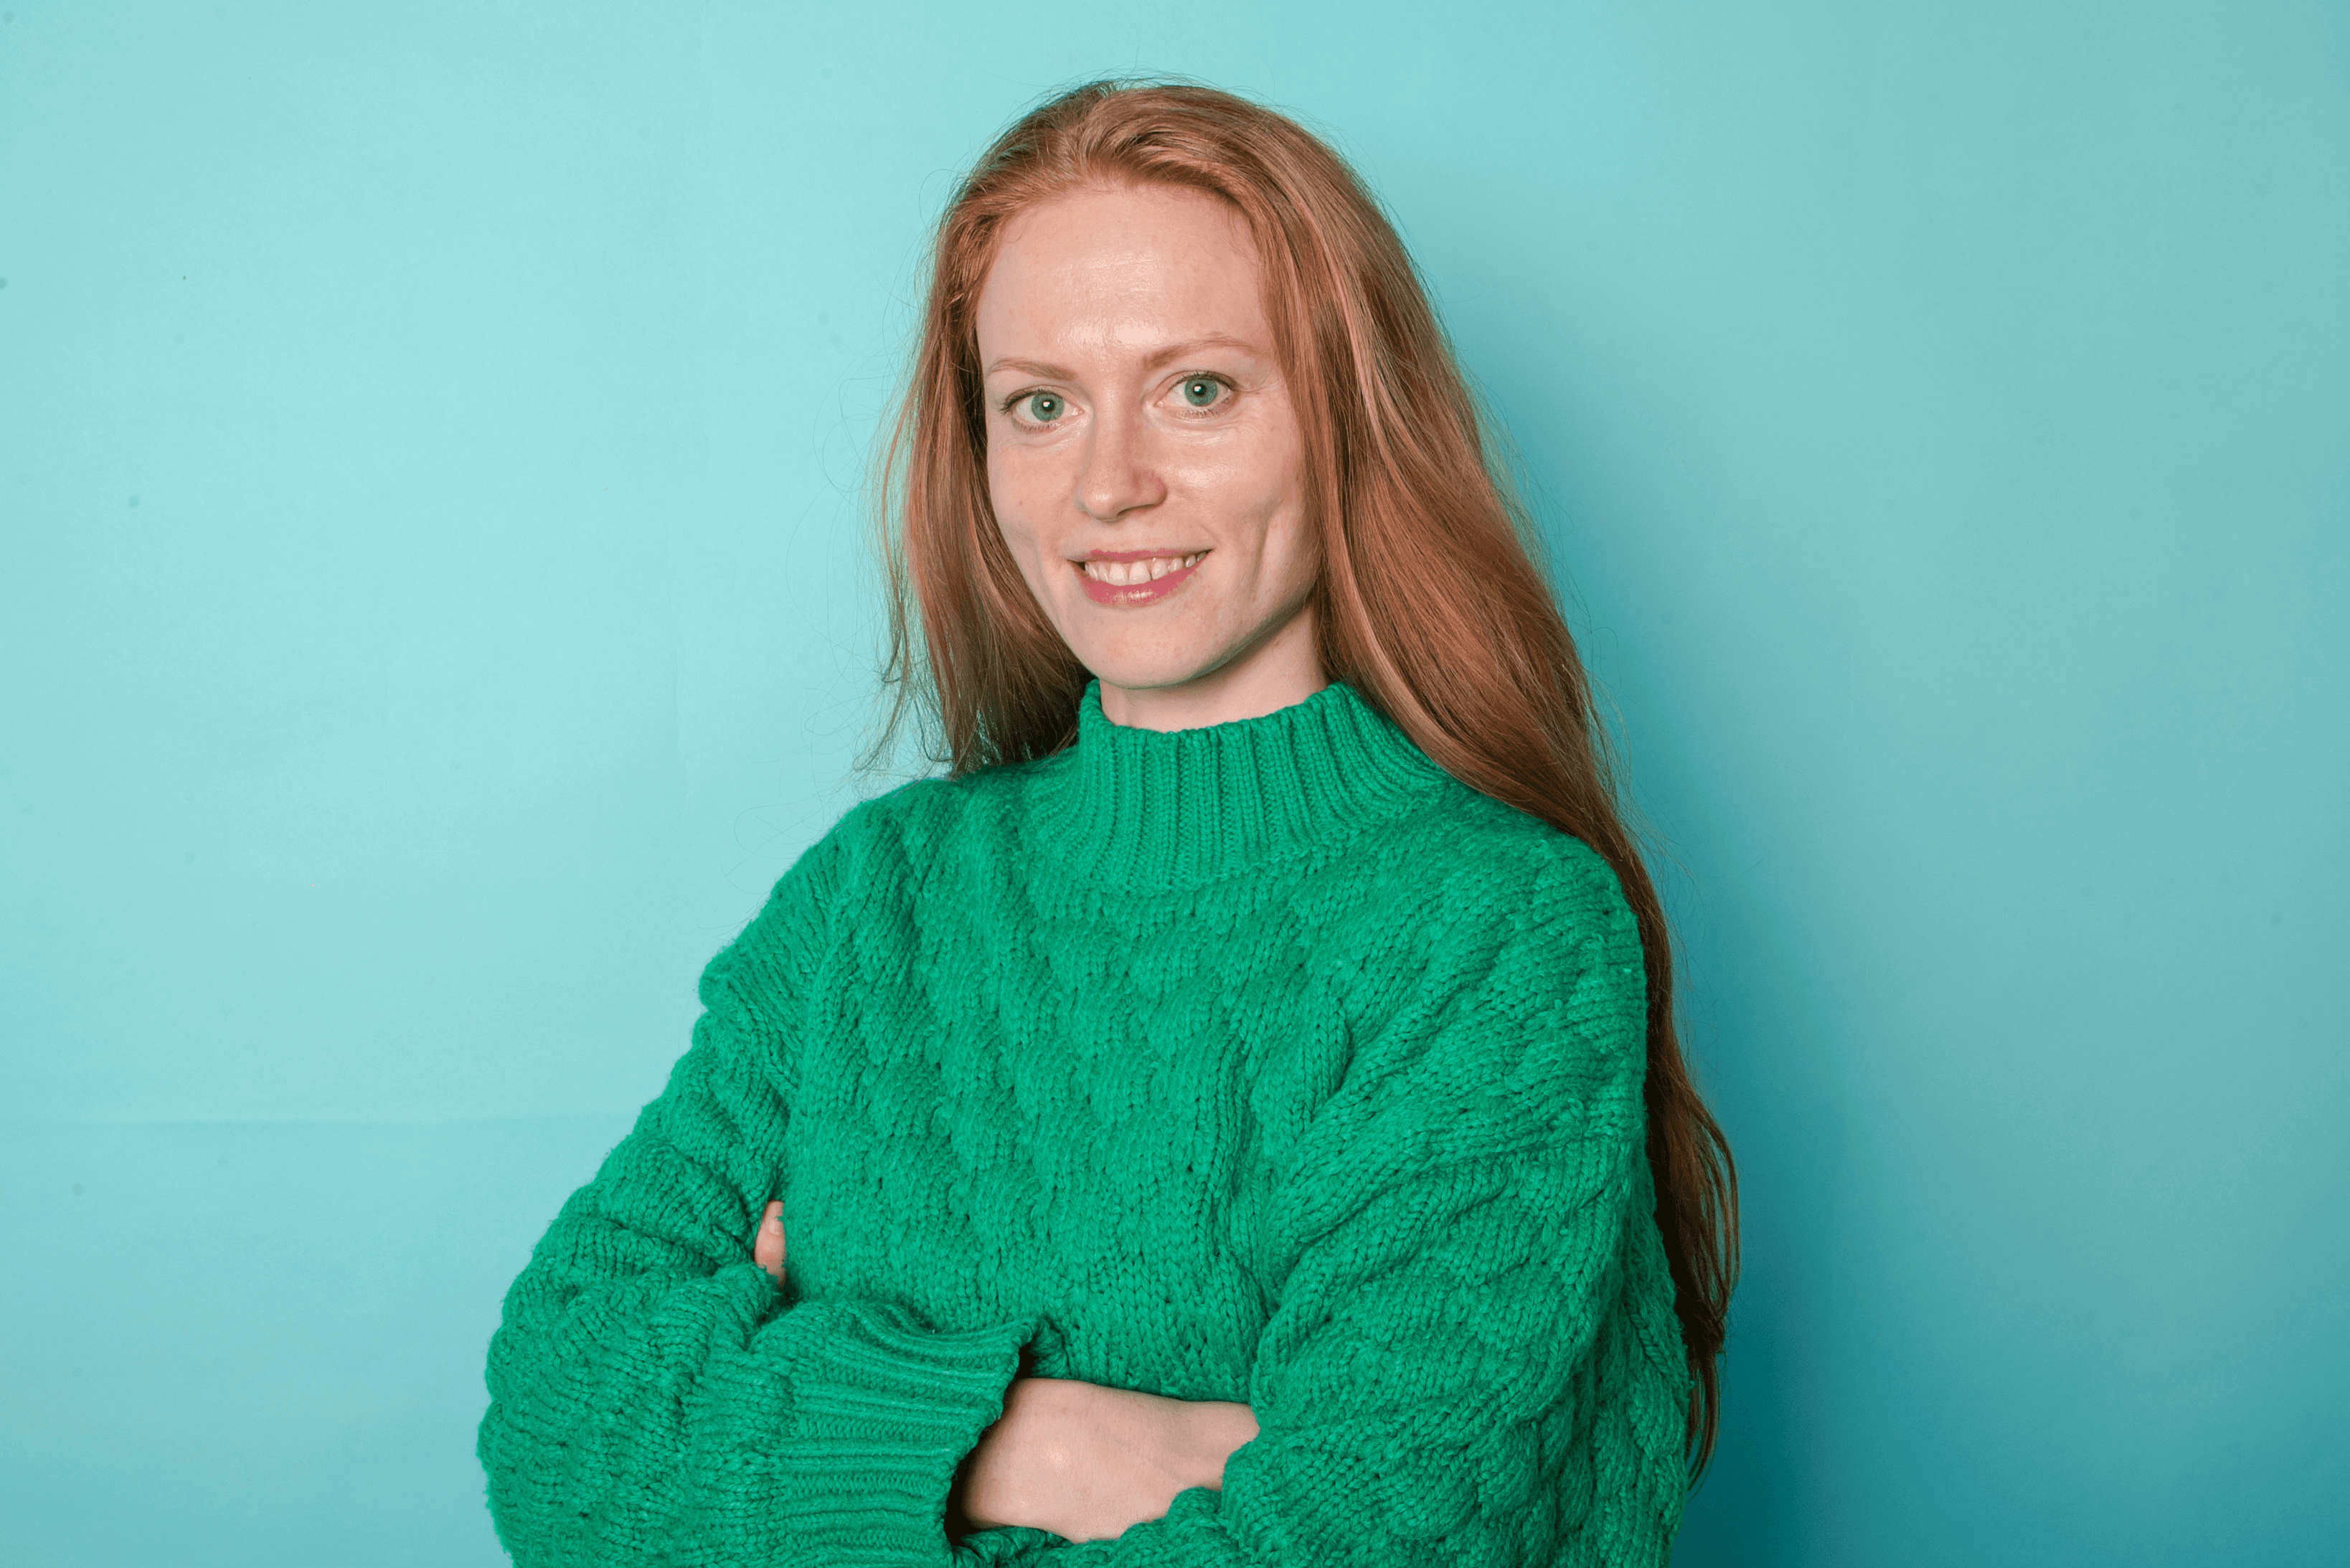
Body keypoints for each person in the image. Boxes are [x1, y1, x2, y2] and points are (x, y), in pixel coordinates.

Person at [477, 78, 1737, 1567]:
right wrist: (1042, 1441)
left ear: (1341, 421)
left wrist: (799, 1422)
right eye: (1041, 403)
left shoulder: (1502, 935)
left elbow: (1352, 1543)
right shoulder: (868, 903)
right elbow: (555, 1426)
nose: (1110, 484)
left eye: (1198, 388)